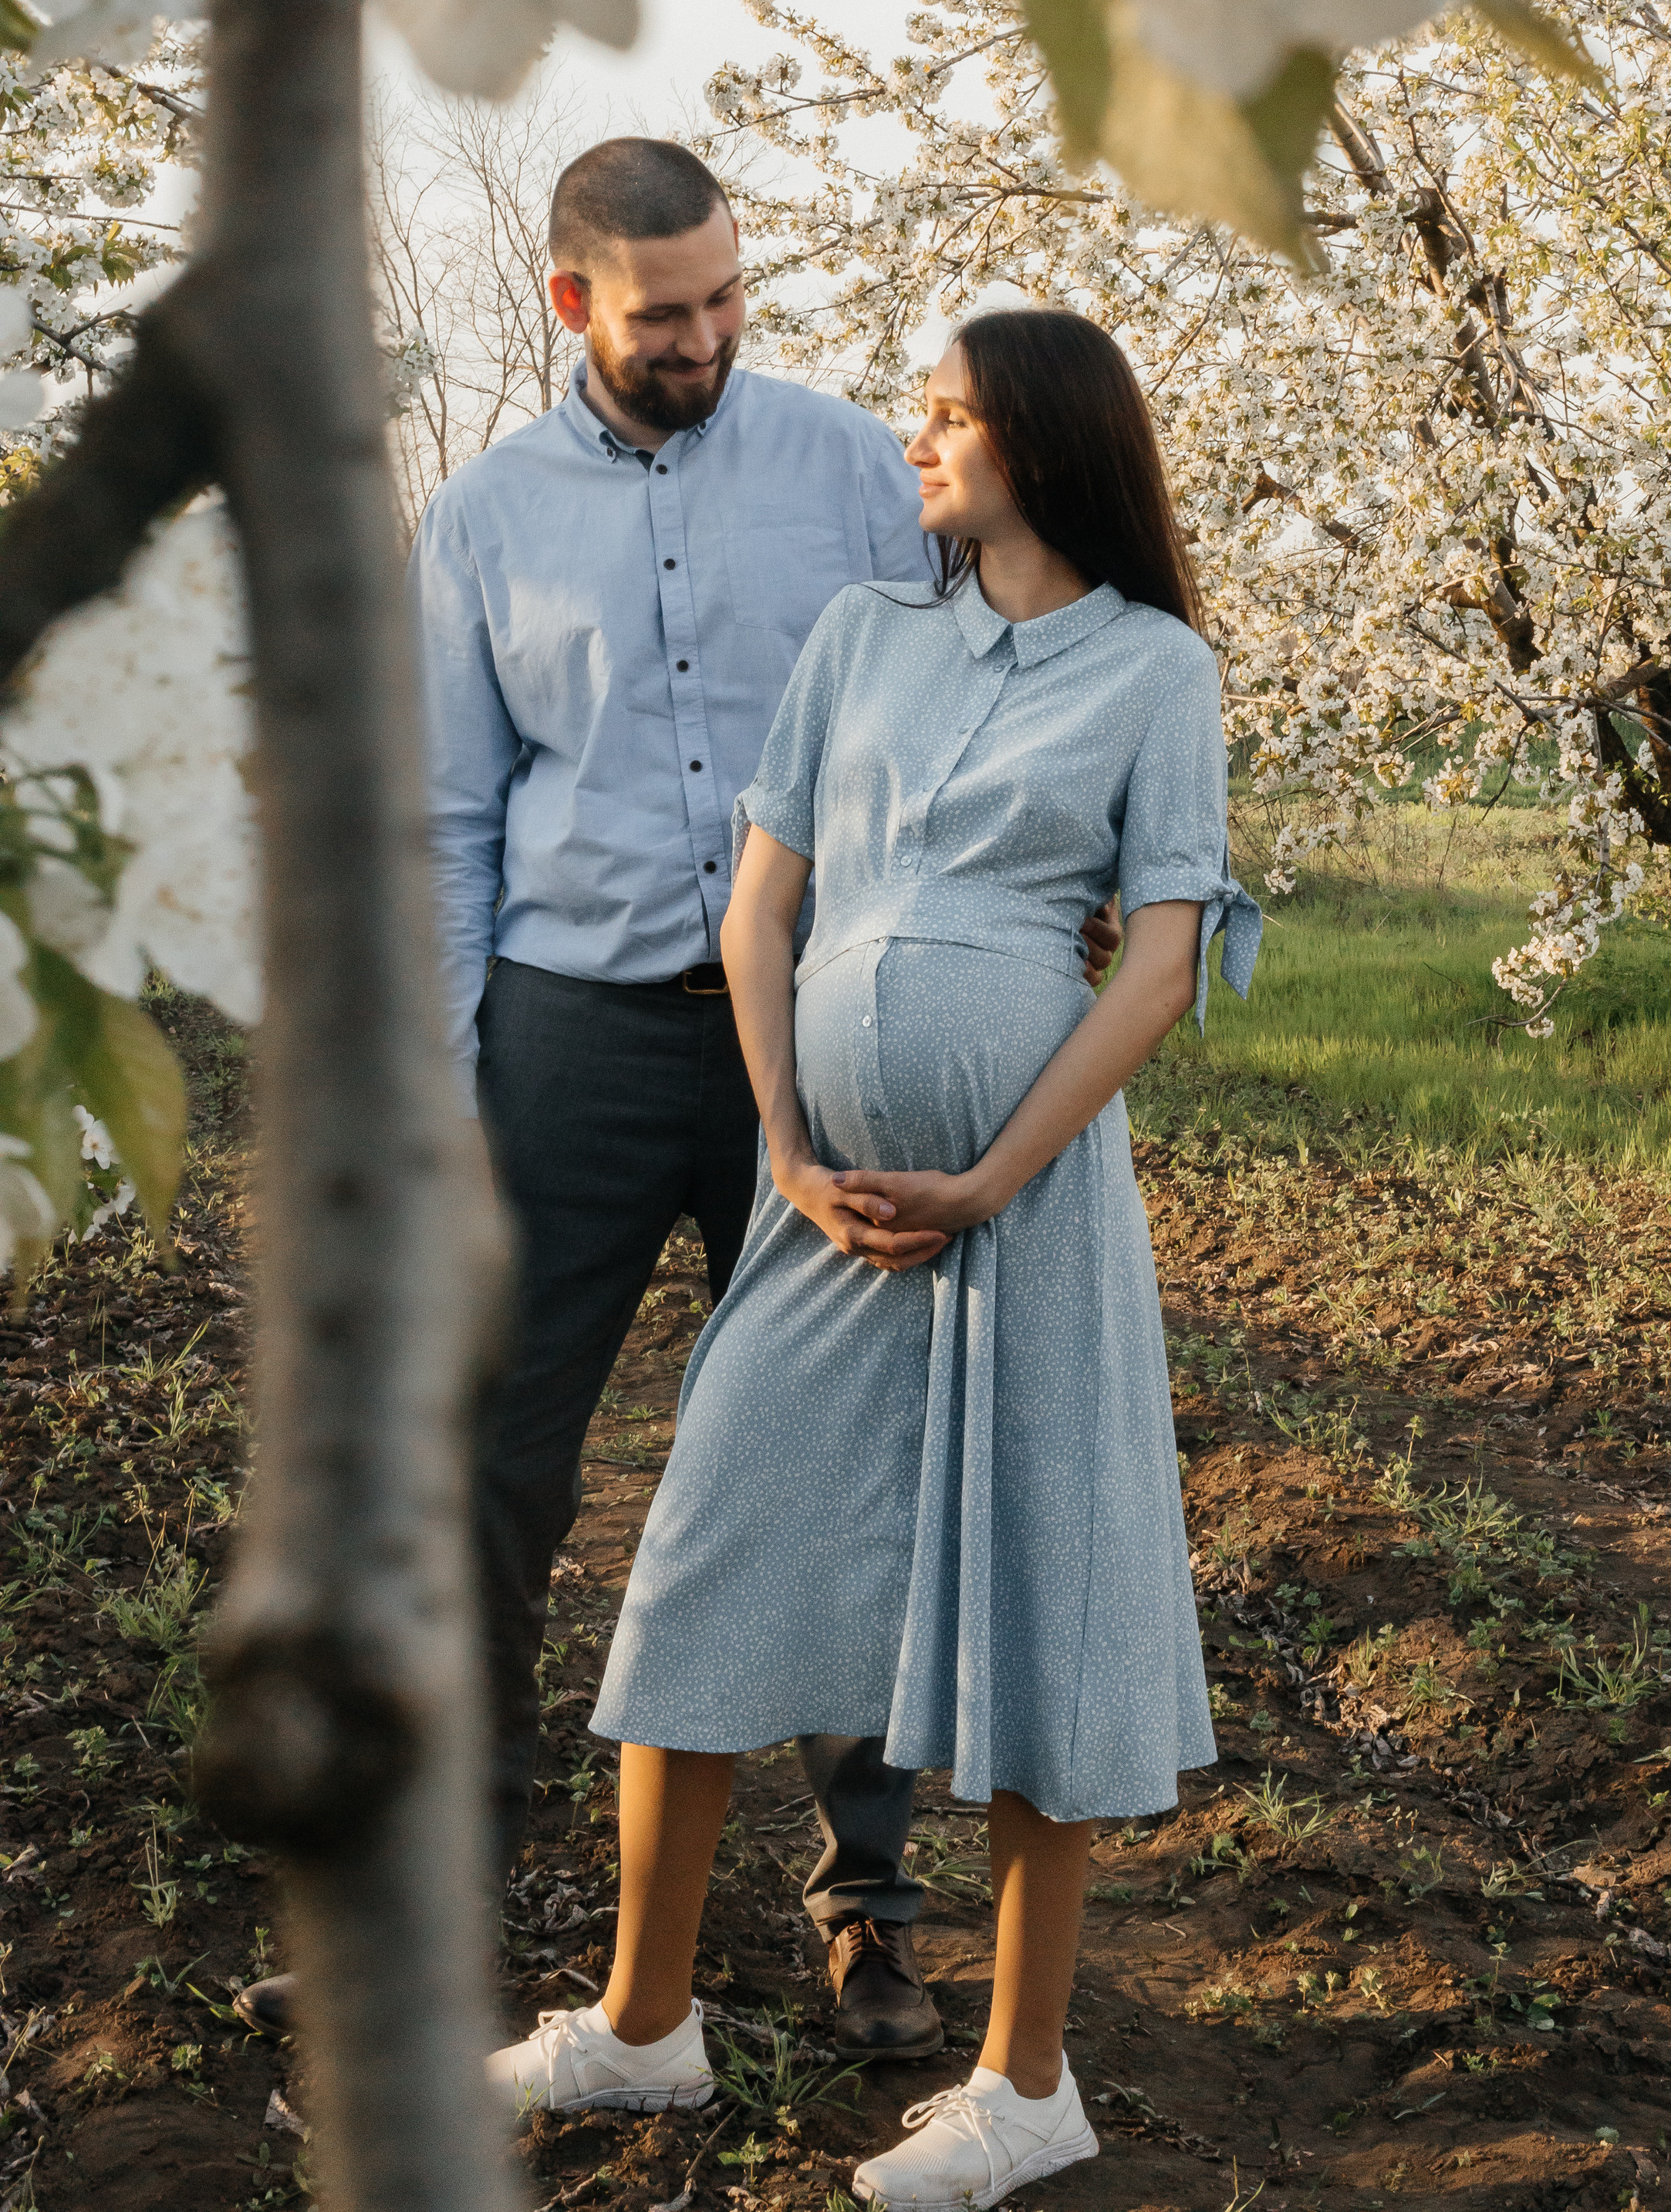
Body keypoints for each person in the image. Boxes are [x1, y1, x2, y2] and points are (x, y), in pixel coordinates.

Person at [238, 141, 1112, 2057]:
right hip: (572, 1035)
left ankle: (868, 1906)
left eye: (726, 297)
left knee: (859, 1456)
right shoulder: (483, 521)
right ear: (571, 305)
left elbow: (994, 684)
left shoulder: (856, 471)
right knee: (486, 1468)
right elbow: (448, 817)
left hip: (827, 1021)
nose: (706, 336)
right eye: (663, 313)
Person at [490, 305, 1261, 2207]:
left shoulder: (1153, 671)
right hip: (819, 1204)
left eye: (947, 416)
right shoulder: (858, 637)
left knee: (1033, 1603)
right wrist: (787, 1145)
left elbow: (1159, 961)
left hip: (1028, 1216)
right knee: (699, 1559)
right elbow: (761, 913)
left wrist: (991, 1174)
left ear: (1040, 444)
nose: (913, 443)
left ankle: (1025, 2085)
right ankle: (643, 2026)